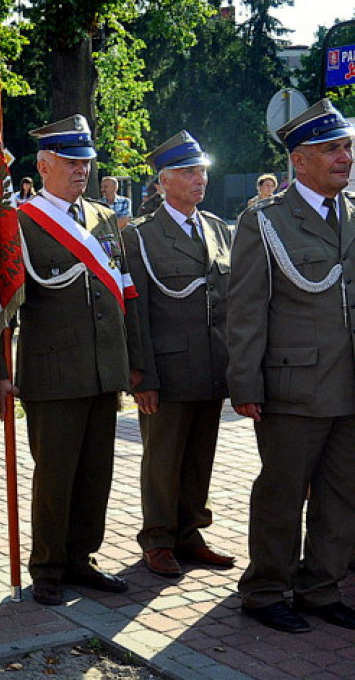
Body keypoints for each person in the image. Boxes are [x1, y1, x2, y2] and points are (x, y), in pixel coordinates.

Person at [227, 99, 355, 634]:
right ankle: (264, 590)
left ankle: (320, 587)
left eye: (347, 147)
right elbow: (246, 309)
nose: (345, 157)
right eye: (333, 149)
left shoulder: (352, 214)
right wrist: (245, 384)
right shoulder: (266, 221)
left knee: (342, 492)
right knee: (281, 494)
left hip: (349, 385)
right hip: (292, 384)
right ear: (299, 160)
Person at [15, 114, 143, 607]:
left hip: (101, 367)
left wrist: (131, 360)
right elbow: (8, 305)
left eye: (86, 161)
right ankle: (47, 565)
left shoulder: (103, 218)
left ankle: (82, 556)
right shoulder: (21, 222)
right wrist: (5, 375)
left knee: (96, 471)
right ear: (44, 165)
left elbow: (124, 290)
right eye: (71, 161)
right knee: (55, 474)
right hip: (53, 370)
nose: (81, 170)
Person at [124, 131, 236, 579]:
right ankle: (158, 538)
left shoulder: (216, 227)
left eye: (202, 171)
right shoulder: (144, 237)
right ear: (163, 180)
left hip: (210, 365)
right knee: (163, 460)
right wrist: (143, 376)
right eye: (189, 171)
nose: (199, 179)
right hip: (167, 369)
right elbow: (138, 311)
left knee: (199, 455)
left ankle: (190, 532)